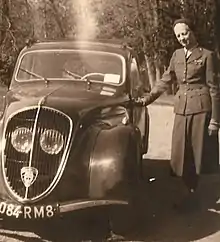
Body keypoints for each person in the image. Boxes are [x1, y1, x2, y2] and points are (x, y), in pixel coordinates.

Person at [138, 18, 220, 209]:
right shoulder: (176, 56)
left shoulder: (207, 56)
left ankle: (193, 195)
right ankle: (188, 192)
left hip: (201, 109)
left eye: (185, 33)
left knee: (196, 153)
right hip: (181, 109)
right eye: (179, 35)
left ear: (192, 32)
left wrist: (215, 120)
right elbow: (165, 80)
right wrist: (147, 99)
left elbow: (214, 88)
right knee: (180, 152)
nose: (182, 38)